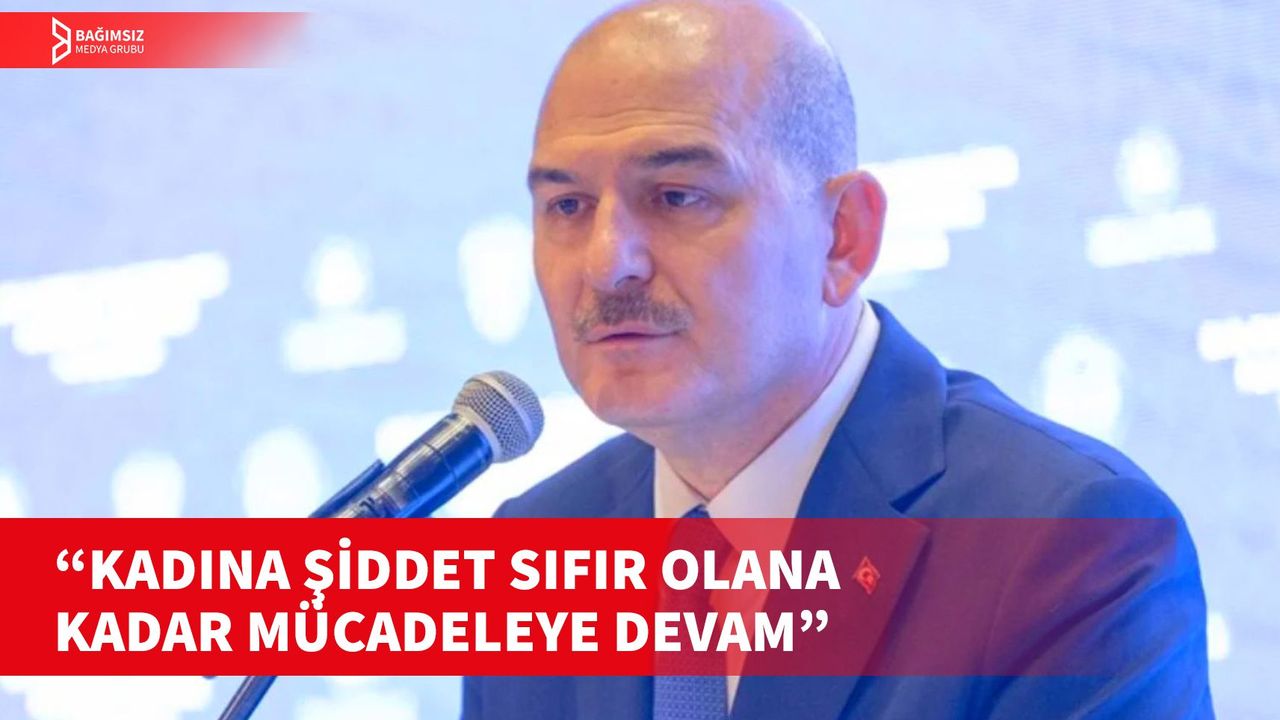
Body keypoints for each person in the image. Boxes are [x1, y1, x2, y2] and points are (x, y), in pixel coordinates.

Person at [464, 0, 1214, 717]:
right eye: (567, 206)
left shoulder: (1069, 544)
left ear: (843, 236)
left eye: (677, 196)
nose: (606, 264)